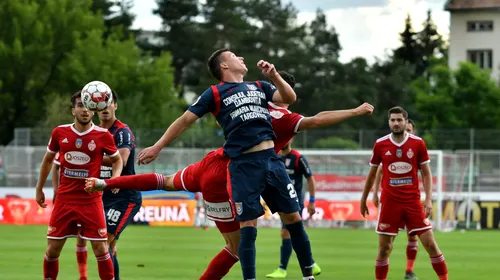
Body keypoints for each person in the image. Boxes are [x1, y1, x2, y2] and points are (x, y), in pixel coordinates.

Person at [86, 71, 373, 279]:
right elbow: (316, 119)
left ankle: (105, 182)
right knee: (242, 243)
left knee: (165, 181)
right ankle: (306, 271)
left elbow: (191, 117)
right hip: (233, 175)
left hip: (214, 161)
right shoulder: (283, 116)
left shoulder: (248, 100)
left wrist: (157, 147)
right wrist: (355, 111)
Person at [36, 90, 123, 280]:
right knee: (52, 249)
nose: (84, 110)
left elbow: (118, 160)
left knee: (101, 248)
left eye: (88, 107)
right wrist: (39, 188)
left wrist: (113, 180)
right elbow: (48, 161)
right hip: (65, 201)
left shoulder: (103, 135)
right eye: (79, 106)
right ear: (72, 110)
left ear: (94, 110)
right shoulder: (60, 132)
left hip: (91, 201)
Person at [360, 106, 448, 280]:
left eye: (399, 120)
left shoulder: (417, 143)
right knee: (384, 250)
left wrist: (429, 199)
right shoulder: (380, 144)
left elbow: (426, 173)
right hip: (390, 204)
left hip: (413, 203)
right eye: (393, 120)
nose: (396, 123)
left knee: (430, 245)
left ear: (406, 122)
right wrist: (365, 198)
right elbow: (373, 173)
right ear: (389, 122)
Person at [98, 90, 142, 280]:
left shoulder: (122, 132)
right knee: (110, 245)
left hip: (124, 196)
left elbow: (122, 161)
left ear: (115, 105)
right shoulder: (95, 131)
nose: (106, 108)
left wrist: (92, 157)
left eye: (109, 103)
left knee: (103, 243)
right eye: (101, 105)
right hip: (104, 195)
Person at [371, 119, 419, 280]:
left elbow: (424, 173)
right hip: (392, 200)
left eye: (411, 130)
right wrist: (375, 192)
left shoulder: (416, 147)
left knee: (413, 236)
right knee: (386, 245)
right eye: (408, 129)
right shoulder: (388, 147)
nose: (409, 133)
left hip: (410, 199)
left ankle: (409, 271)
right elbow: (379, 171)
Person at [266, 137, 320, 278]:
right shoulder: (275, 157)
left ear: (291, 139)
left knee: (286, 233)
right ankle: (311, 263)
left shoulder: (298, 158)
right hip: (280, 201)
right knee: (292, 232)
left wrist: (312, 201)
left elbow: (310, 179)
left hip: (295, 202)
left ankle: (282, 269)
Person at [51, 153, 89, 280]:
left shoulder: (93, 141)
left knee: (83, 237)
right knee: (54, 244)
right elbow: (54, 166)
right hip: (66, 199)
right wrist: (56, 191)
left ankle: (83, 276)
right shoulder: (65, 143)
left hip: (87, 199)